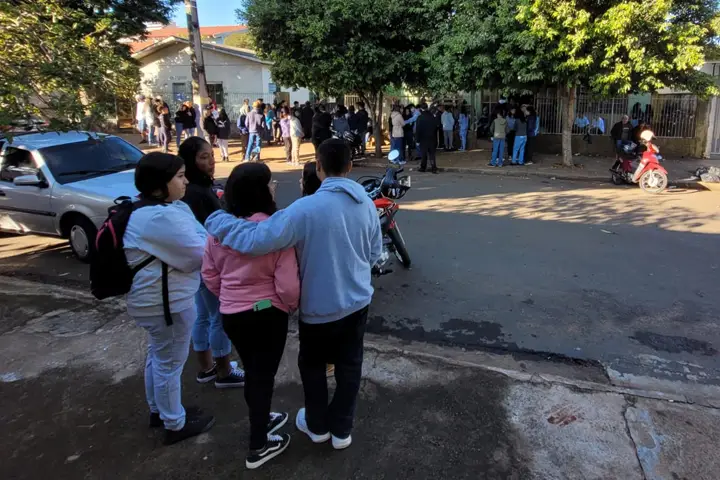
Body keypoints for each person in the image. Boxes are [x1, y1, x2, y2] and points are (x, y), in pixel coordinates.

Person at [204, 139, 382, 452]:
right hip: (357, 303)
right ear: (350, 166)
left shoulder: (303, 209)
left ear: (318, 166)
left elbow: (257, 240)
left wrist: (218, 220)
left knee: (313, 366)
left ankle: (317, 426)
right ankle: (342, 430)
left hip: (318, 309)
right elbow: (374, 253)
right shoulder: (366, 203)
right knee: (350, 365)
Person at [202, 163, 299, 469]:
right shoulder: (276, 233)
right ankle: (258, 445)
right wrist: (289, 305)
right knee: (262, 376)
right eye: (269, 183)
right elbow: (288, 284)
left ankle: (264, 417)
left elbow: (209, 274)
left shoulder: (219, 231)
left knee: (252, 371)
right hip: (268, 314)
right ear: (260, 191)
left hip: (233, 315)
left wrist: (231, 298)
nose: (273, 187)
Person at [124, 152, 215, 445]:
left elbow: (200, 241)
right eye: (179, 177)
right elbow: (201, 254)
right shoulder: (160, 217)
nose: (185, 181)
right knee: (169, 364)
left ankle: (159, 411)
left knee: (159, 356)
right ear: (159, 183)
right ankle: (175, 423)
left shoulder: (155, 209)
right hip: (166, 304)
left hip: (158, 301)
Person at [178, 137, 245, 388]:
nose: (211, 161)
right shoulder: (196, 192)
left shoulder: (194, 187)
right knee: (218, 317)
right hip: (209, 263)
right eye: (203, 157)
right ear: (190, 162)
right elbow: (216, 229)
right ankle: (224, 371)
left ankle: (207, 367)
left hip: (197, 263)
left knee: (203, 315)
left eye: (211, 155)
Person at [415, 103, 438, 174]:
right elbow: (436, 127)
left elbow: (418, 130)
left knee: (424, 154)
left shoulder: (420, 118)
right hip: (432, 138)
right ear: (427, 108)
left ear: (421, 109)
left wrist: (417, 140)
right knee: (432, 154)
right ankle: (433, 168)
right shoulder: (432, 116)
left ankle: (423, 167)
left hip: (423, 139)